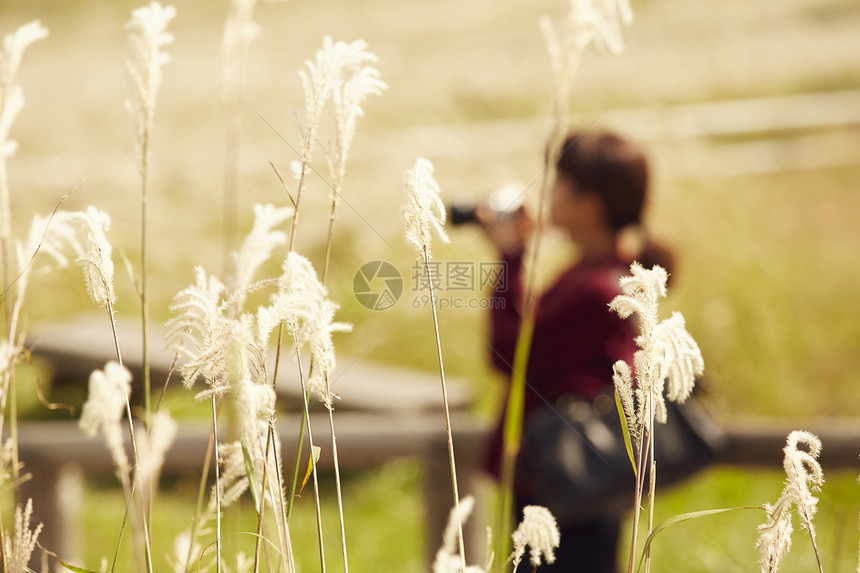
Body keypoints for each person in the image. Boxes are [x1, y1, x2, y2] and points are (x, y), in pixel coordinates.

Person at [480, 130, 673, 572]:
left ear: (590, 205)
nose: (546, 192)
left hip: (567, 488)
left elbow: (509, 351)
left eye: (559, 182)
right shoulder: (604, 274)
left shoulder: (596, 290)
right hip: (577, 482)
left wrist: (510, 258)